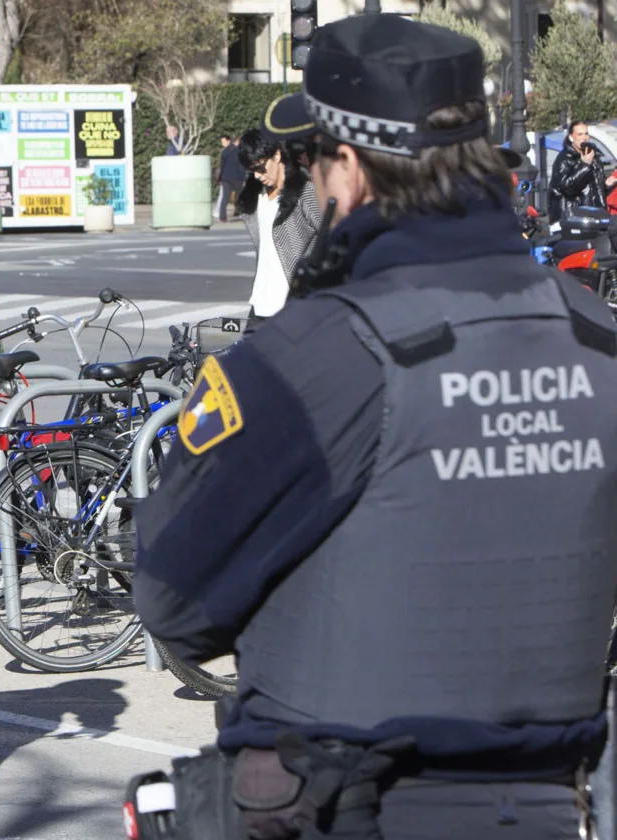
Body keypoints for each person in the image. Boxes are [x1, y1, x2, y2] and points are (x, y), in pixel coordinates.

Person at [135, 14, 617, 839]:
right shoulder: (597, 337)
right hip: (548, 802)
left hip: (343, 804)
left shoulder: (309, 357)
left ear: (348, 167)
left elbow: (175, 603)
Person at [235, 126, 320, 325]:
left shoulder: (304, 193)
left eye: (261, 167)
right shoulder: (258, 198)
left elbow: (333, 234)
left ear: (277, 155)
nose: (257, 175)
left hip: (293, 305)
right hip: (261, 301)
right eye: (252, 170)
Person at [549, 120, 617, 226]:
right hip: (574, 217)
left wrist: (606, 183)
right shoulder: (564, 159)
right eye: (580, 134)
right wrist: (584, 165)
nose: (584, 137)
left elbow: (594, 186)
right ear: (571, 137)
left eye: (586, 133)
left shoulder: (592, 156)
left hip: (595, 215)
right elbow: (567, 188)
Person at [214, 134, 244, 223]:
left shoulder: (224, 152)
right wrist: (243, 177)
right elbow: (241, 165)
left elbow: (222, 166)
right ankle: (238, 212)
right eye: (222, 142)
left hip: (226, 178)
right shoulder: (237, 150)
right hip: (236, 177)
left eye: (223, 142)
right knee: (239, 196)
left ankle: (222, 217)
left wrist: (220, 177)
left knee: (225, 197)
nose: (222, 143)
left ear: (228, 141)